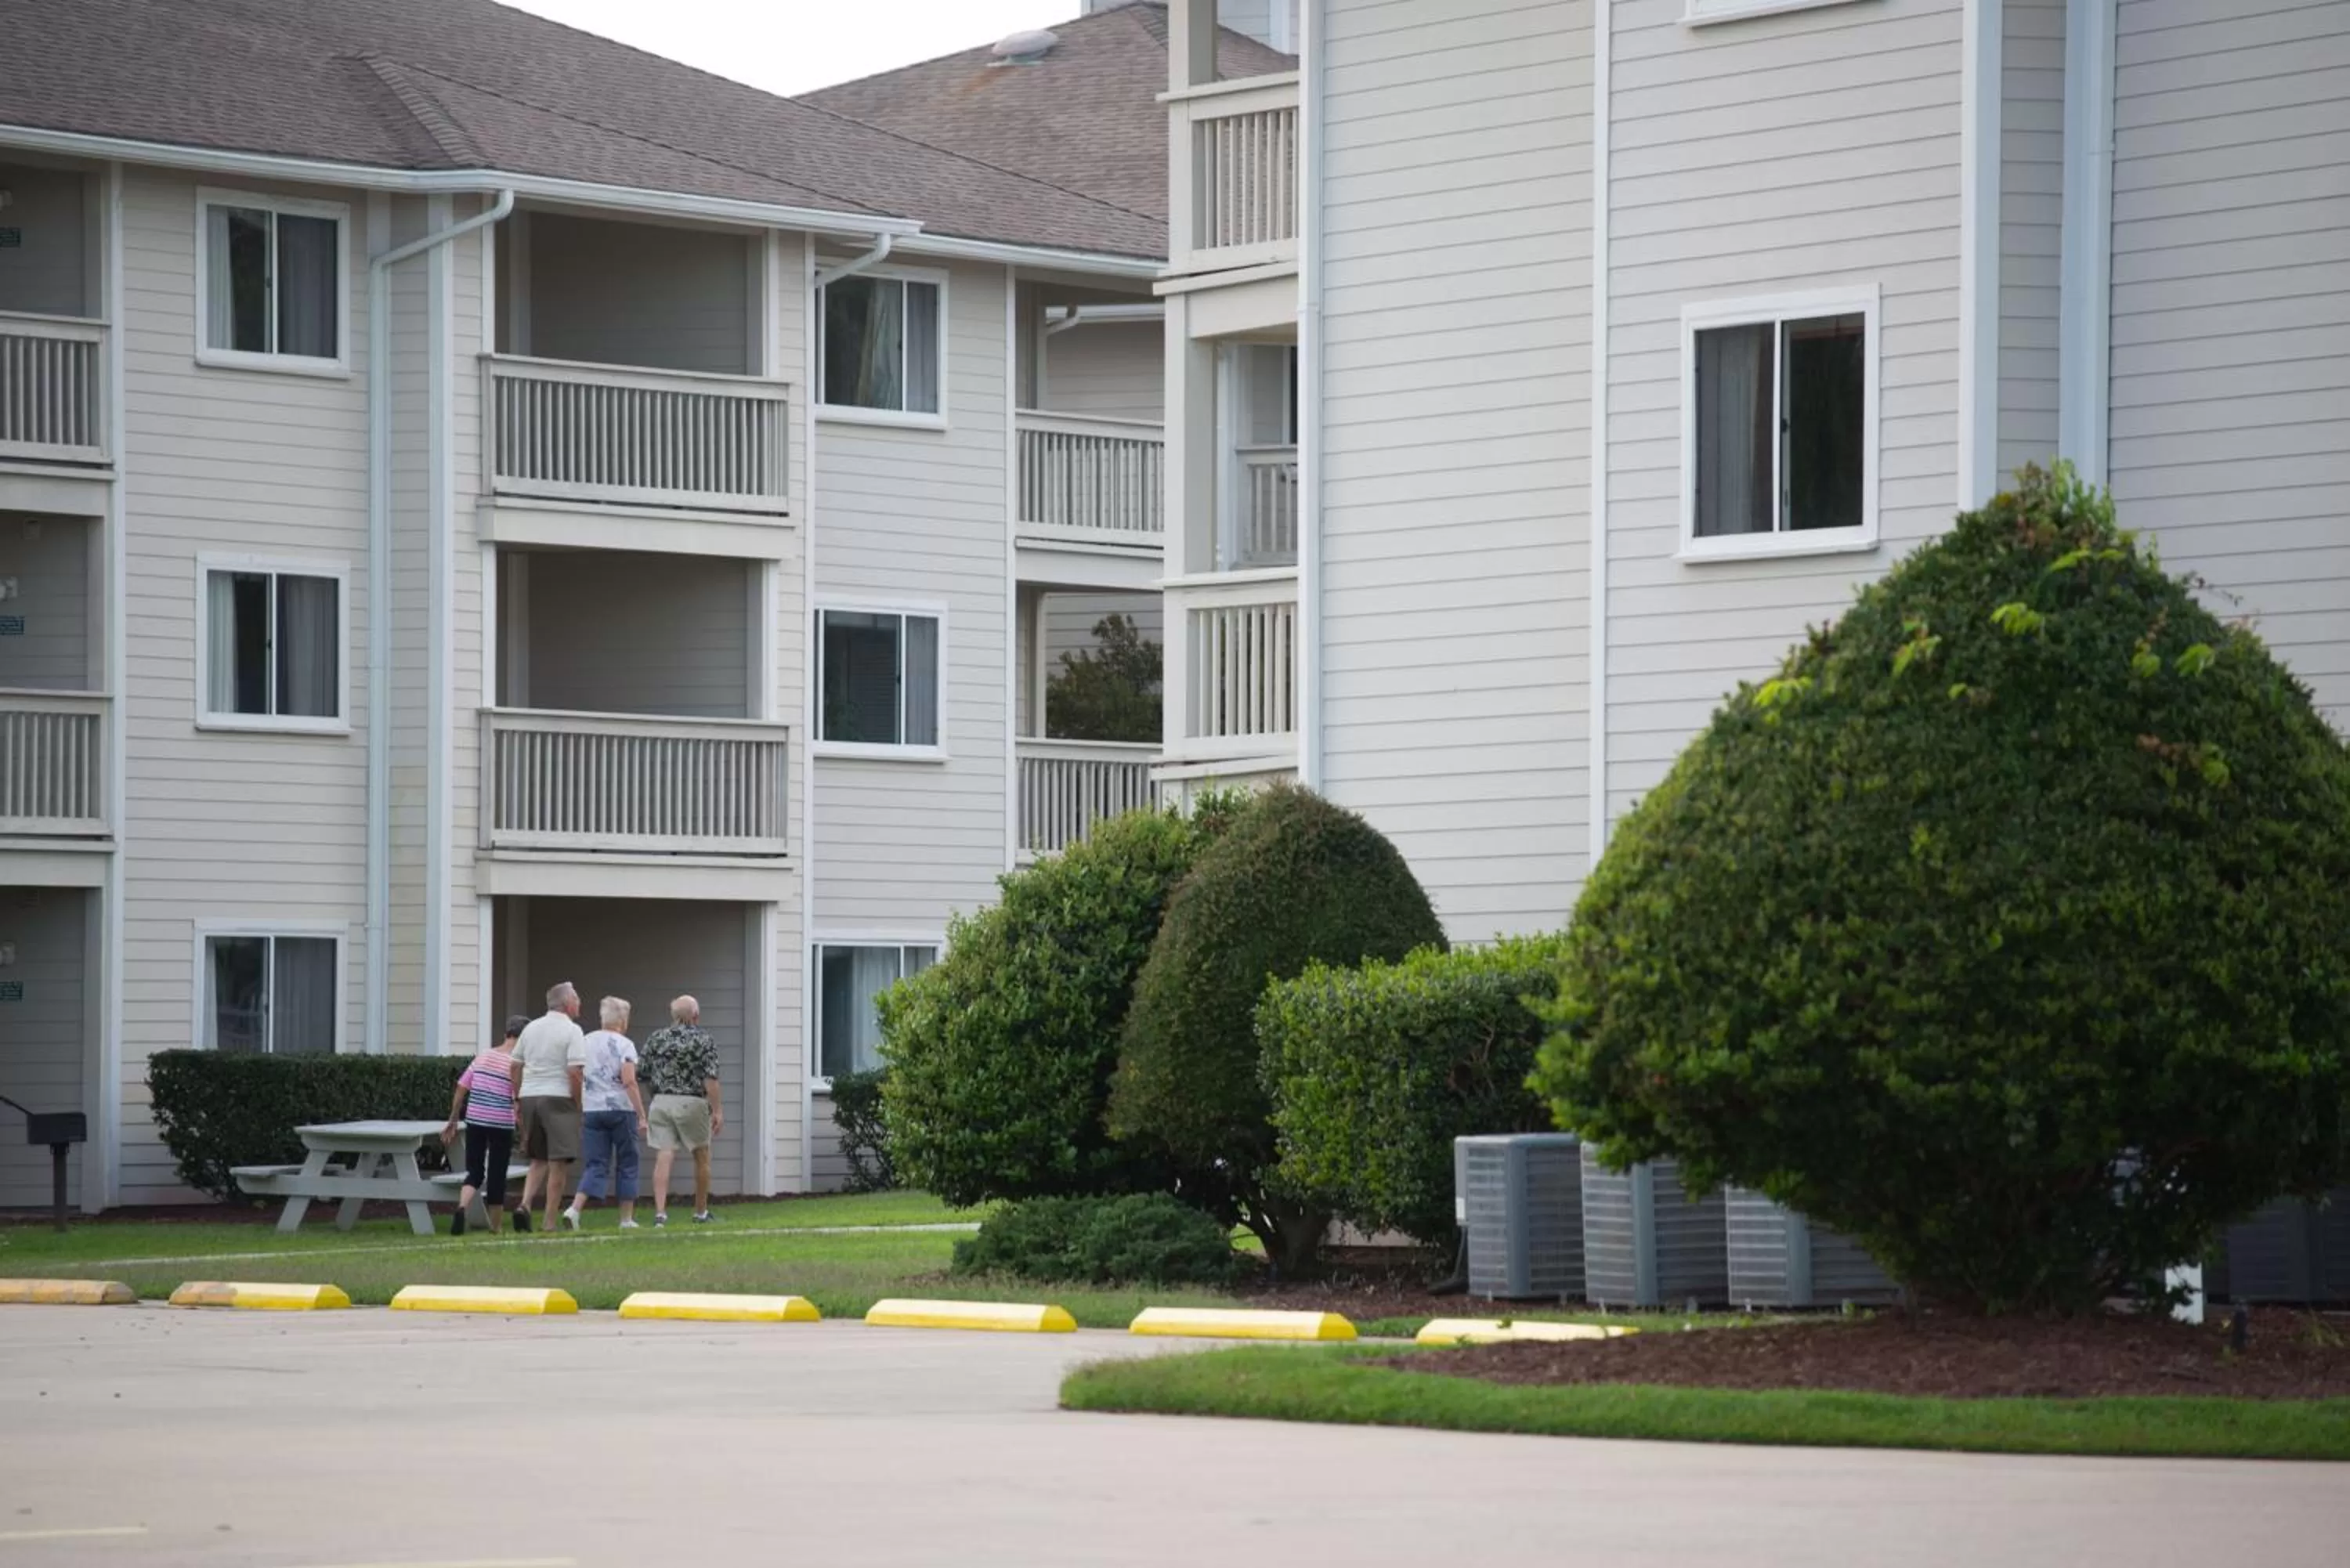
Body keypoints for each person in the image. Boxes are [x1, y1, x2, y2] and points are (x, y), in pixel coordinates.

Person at [562, 996, 646, 1231]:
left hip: (593, 1109)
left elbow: (575, 1072)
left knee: (595, 1163)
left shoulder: (585, 1041)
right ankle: (626, 1219)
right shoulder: (625, 1045)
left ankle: (575, 1209)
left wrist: (581, 1102)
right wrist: (641, 1114)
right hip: (621, 1110)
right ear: (623, 1020)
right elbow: (629, 1081)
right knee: (628, 1162)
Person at [439, 1014, 527, 1236]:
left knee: (475, 1171)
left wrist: (453, 1117)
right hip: (500, 1122)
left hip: (475, 1119)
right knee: (498, 1174)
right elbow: (517, 1099)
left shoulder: (483, 1056)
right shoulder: (515, 1065)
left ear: (506, 1033)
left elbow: (461, 1087)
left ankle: (461, 1208)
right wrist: (524, 1130)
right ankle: (496, 1228)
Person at [640, 994, 724, 1227]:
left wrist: (657, 1096)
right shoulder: (703, 1040)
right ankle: (700, 1212)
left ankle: (660, 1214)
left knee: (664, 1155)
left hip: (661, 1101)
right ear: (695, 1016)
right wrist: (717, 1110)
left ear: (674, 1016)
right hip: (692, 1101)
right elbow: (710, 1079)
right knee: (701, 1156)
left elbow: (643, 1073)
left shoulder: (656, 1038)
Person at [513, 981, 586, 1234]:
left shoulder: (530, 1028)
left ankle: (524, 1204)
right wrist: (578, 1103)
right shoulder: (573, 1030)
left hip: (530, 1095)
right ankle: (549, 1222)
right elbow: (575, 1072)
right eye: (576, 999)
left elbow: (515, 1065)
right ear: (567, 1004)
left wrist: (517, 1098)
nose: (579, 1003)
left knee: (538, 1159)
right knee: (558, 1163)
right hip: (559, 1098)